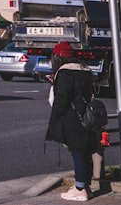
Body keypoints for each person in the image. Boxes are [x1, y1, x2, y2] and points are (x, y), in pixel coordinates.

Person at [46, 41, 100, 201]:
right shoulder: (84, 70)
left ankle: (80, 189)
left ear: (58, 58)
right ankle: (85, 186)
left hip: (72, 119)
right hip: (86, 117)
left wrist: (54, 123)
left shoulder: (64, 74)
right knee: (85, 152)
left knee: (77, 152)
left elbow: (61, 100)